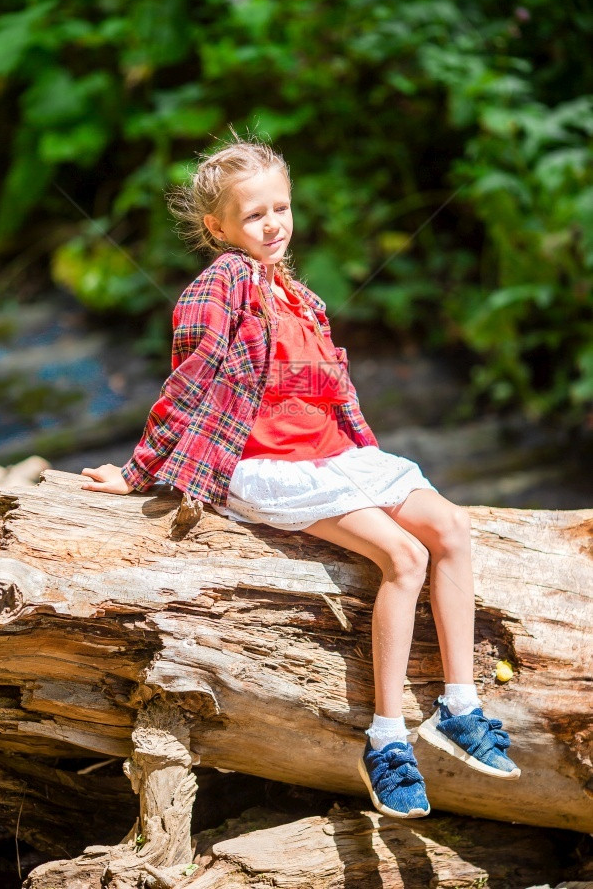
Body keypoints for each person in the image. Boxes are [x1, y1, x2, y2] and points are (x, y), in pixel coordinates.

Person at [80, 136, 520, 819]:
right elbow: (188, 382)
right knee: (403, 558)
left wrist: (372, 467)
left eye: (281, 208)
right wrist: (140, 472)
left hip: (333, 457)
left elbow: (335, 399)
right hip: (270, 469)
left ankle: (459, 707)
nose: (273, 224)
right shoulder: (222, 283)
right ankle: (385, 740)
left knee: (452, 527)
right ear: (218, 228)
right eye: (254, 216)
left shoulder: (302, 297)